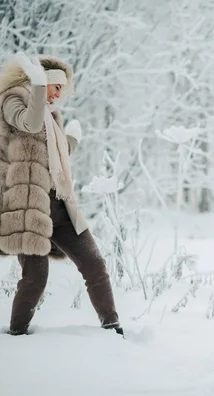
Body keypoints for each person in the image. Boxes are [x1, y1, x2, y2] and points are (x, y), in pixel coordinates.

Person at [0, 52, 123, 336]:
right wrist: (39, 86)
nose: (58, 94)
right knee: (35, 278)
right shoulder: (13, 100)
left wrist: (70, 141)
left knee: (95, 265)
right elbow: (27, 125)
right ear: (43, 82)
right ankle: (17, 335)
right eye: (56, 87)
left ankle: (113, 328)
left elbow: (50, 157)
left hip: (59, 205)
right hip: (28, 207)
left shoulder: (50, 114)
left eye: (59, 89)